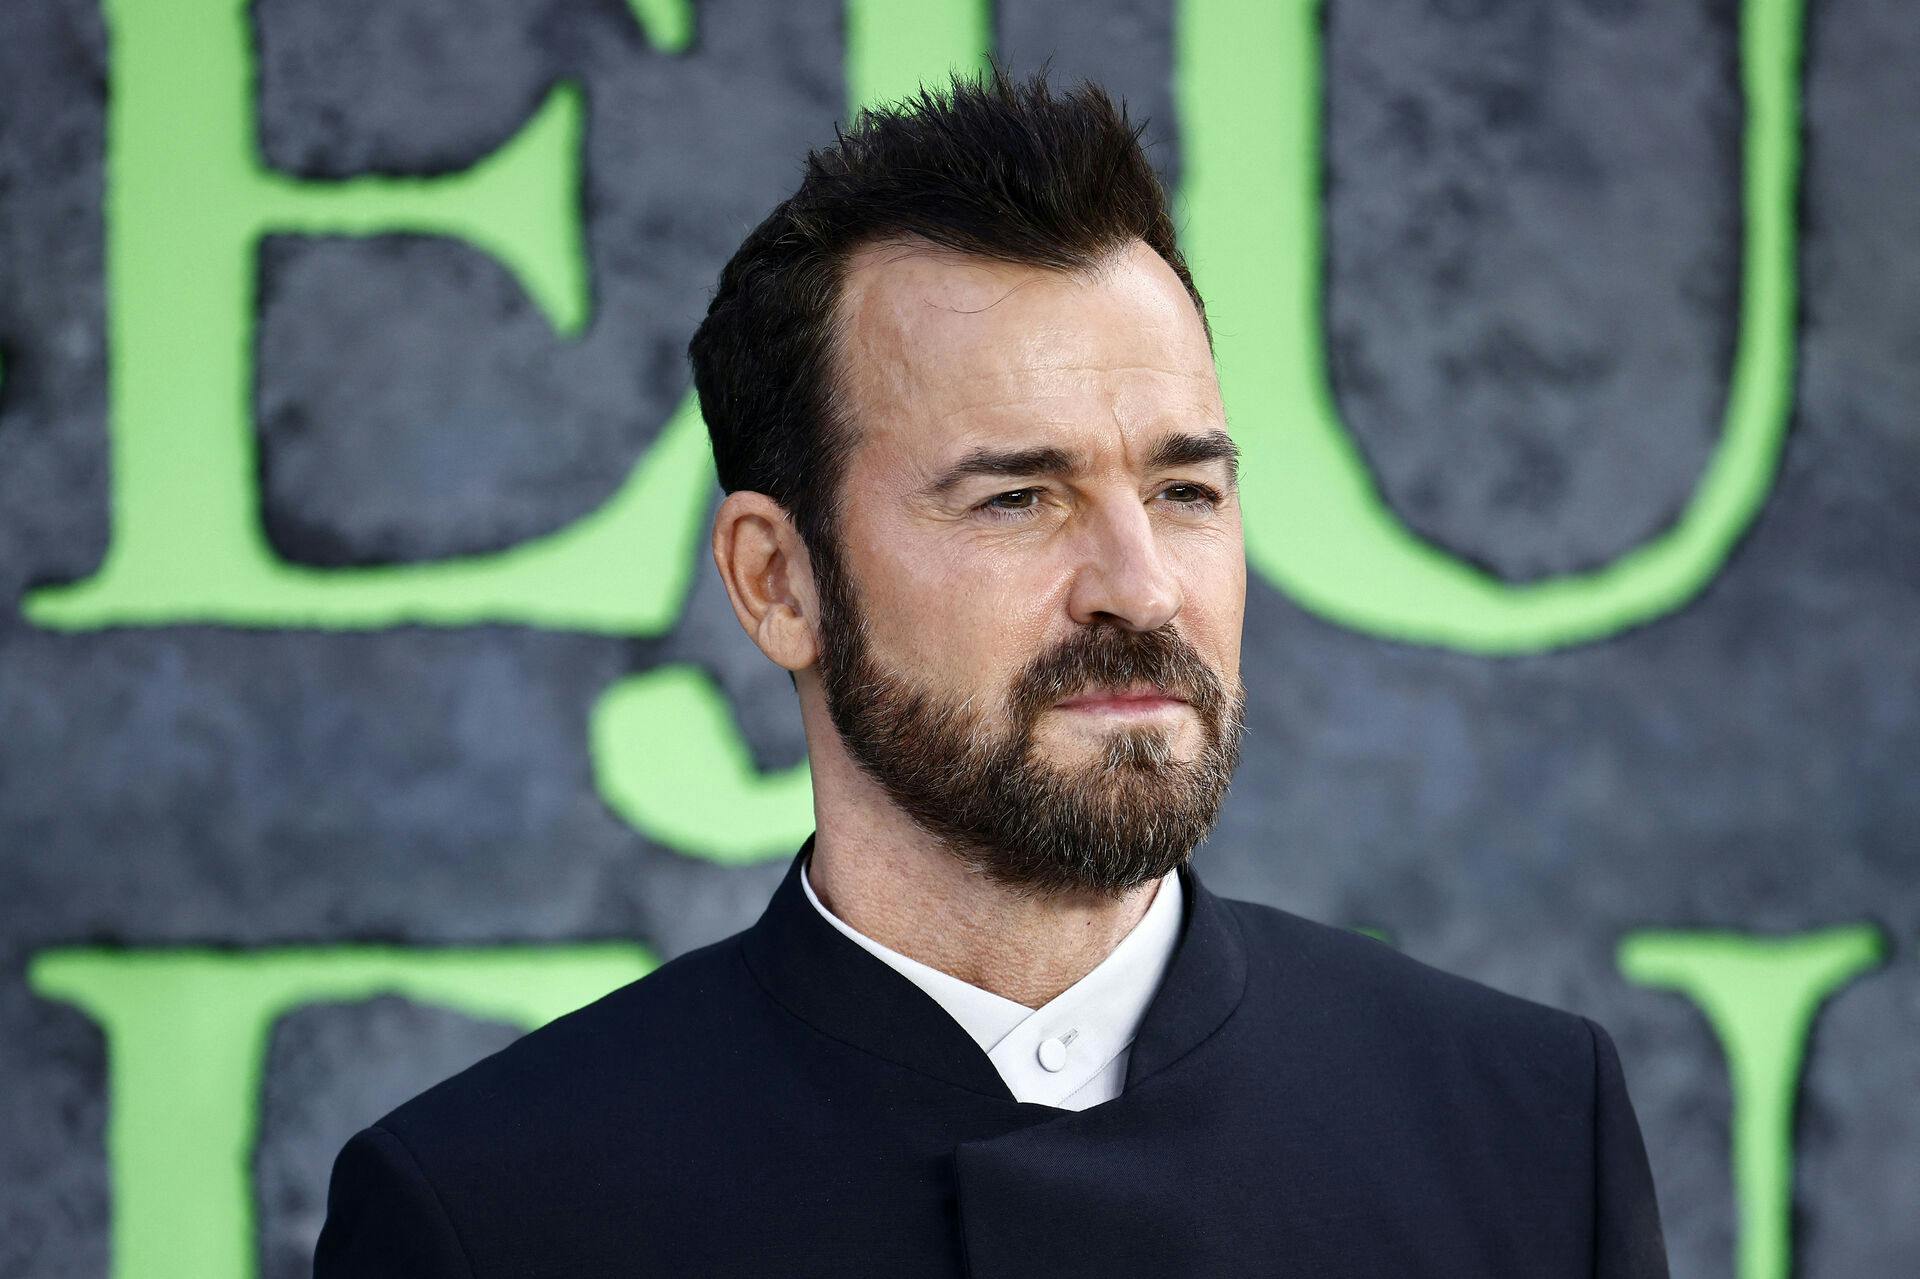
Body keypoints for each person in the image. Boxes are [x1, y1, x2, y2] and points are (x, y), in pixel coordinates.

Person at [315, 64, 1668, 1277]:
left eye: (1186, 489)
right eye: (1018, 499)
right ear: (777, 582)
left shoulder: (1531, 1132)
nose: (1141, 588)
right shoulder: (490, 1219)